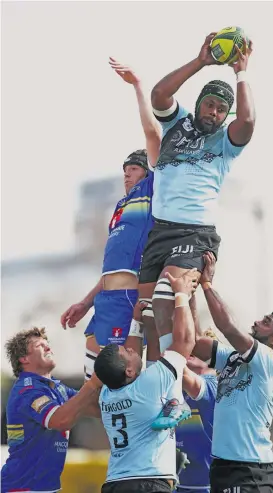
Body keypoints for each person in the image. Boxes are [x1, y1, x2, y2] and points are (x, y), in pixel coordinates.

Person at [137, 34, 256, 428]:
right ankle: (173, 386)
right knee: (149, 315)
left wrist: (241, 73)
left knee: (175, 292)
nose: (215, 112)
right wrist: (200, 60)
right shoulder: (177, 123)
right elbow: (158, 93)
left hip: (196, 231)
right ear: (200, 102)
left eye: (222, 109)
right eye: (210, 104)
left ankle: (173, 396)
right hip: (161, 231)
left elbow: (249, 120)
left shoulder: (225, 143)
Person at [60, 62, 161, 380]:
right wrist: (86, 302)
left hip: (129, 298)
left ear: (146, 171)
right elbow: (110, 268)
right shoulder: (120, 208)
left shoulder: (154, 189)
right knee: (94, 382)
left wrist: (137, 87)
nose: (127, 175)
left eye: (133, 169)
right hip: (105, 299)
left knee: (121, 378)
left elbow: (152, 134)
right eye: (125, 170)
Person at [192, 252, 273, 493]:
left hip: (251, 470)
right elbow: (194, 342)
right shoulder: (233, 357)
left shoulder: (269, 361)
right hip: (223, 466)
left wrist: (206, 284)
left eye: (266, 321)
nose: (256, 322)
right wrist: (187, 292)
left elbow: (228, 327)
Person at [94, 268, 197, 493]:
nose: (133, 350)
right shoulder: (145, 386)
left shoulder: (107, 394)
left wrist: (137, 323)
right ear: (129, 371)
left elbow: (133, 357)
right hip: (147, 483)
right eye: (128, 353)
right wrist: (182, 295)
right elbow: (186, 341)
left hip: (115, 483)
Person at [1, 327, 102, 493]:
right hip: (22, 488)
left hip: (43, 488)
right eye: (40, 346)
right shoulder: (27, 390)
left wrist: (111, 379)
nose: (48, 348)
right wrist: (92, 383)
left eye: (47, 344)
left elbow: (94, 407)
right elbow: (60, 420)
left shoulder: (56, 387)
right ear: (24, 358)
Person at [174, 342, 218, 493]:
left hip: (205, 486)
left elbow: (175, 362)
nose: (191, 352)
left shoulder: (213, 385)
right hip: (174, 484)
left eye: (199, 351)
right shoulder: (173, 387)